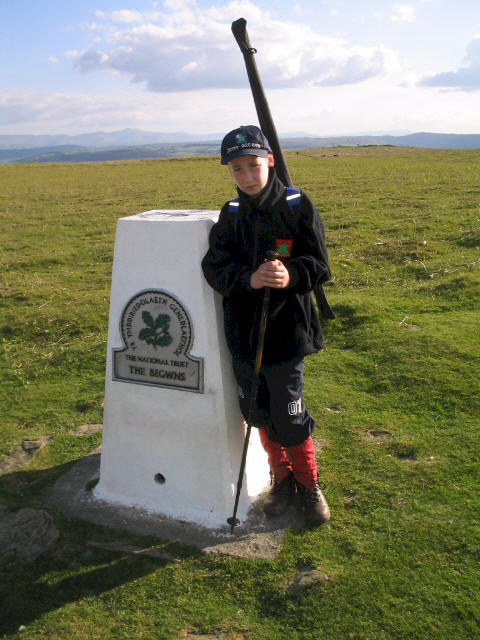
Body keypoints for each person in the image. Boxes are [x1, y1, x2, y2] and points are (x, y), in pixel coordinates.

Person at [201, 125, 332, 526]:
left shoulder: (296, 205)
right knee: (259, 412)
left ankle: (308, 486)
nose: (246, 176)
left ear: (269, 161)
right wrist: (248, 279)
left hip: (286, 335)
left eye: (253, 165)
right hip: (244, 337)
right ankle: (281, 480)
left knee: (289, 414)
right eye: (237, 169)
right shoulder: (232, 214)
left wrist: (289, 276)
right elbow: (214, 266)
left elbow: (319, 265)